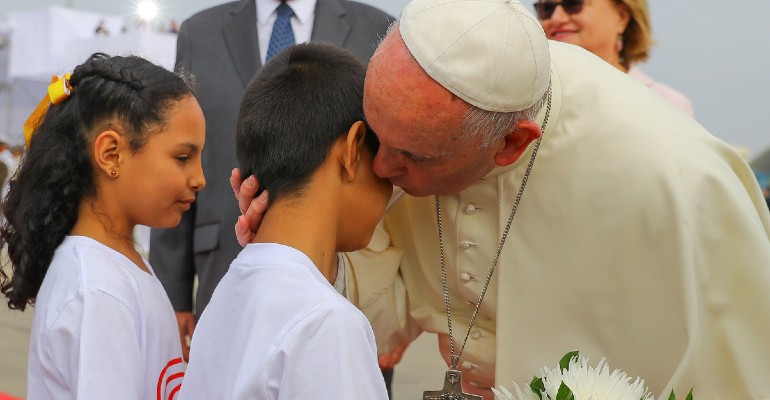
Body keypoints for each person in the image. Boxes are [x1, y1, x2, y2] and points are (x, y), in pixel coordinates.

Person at [233, 0, 770, 399]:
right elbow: (377, 313)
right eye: (377, 137)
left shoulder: (680, 185)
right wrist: (299, 246)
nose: (381, 170)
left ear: (513, 144)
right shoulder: (408, 129)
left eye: (412, 157)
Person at [148, 0, 397, 375]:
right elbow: (177, 153)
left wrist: (400, 312)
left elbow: (396, 161)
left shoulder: (379, 30)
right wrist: (173, 293)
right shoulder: (200, 33)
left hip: (352, 284)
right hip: (224, 273)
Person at [0, 53, 206, 399]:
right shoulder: (97, 291)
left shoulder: (116, 267)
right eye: (183, 158)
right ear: (111, 154)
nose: (199, 178)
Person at [534, 0, 694, 115]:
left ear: (622, 17)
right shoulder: (527, 101)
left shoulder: (669, 105)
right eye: (546, 8)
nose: (556, 18)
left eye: (573, 4)